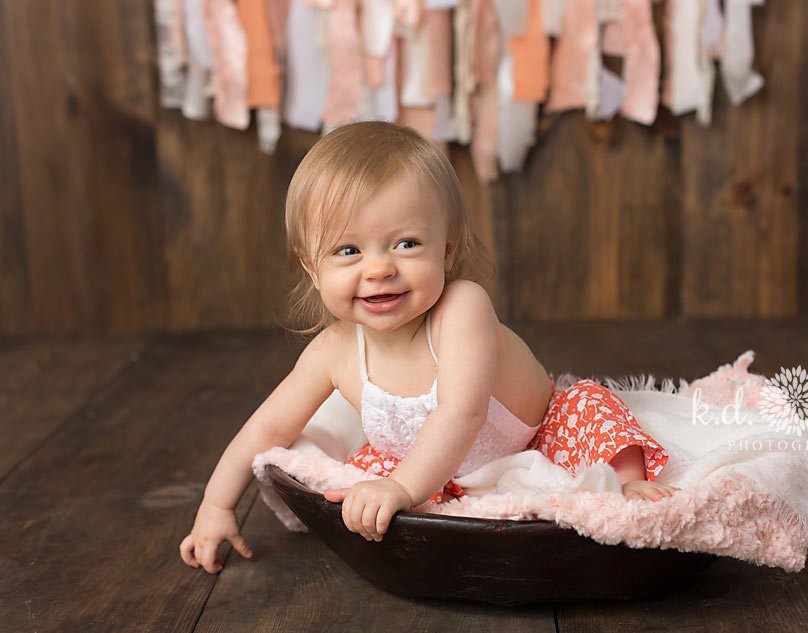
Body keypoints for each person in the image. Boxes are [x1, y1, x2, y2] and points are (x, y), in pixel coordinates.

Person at [179, 121, 677, 575]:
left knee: (590, 406)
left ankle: (627, 482)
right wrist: (216, 505)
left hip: (536, 436)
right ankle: (424, 507)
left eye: (406, 244)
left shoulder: (462, 308)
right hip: (423, 466)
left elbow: (461, 414)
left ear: (447, 248)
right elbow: (267, 428)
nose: (378, 269)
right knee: (356, 483)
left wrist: (402, 489)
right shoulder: (333, 351)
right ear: (312, 267)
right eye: (348, 251)